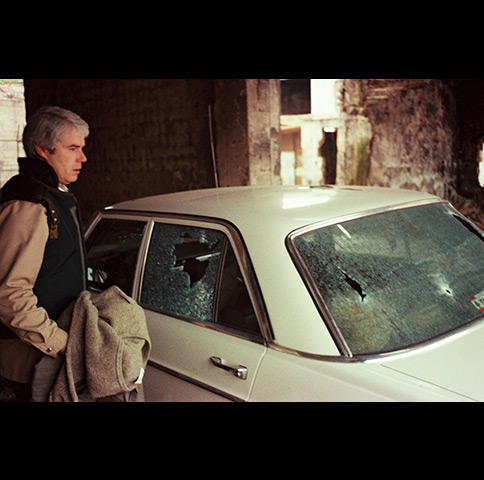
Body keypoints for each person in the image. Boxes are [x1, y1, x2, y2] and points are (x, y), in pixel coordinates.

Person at [0, 106, 89, 401]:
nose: (83, 158)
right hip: (27, 366)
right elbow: (10, 295)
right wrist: (62, 343)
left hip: (46, 357)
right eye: (73, 148)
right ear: (42, 150)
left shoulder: (55, 196)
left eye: (82, 148)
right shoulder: (30, 203)